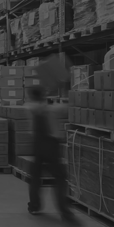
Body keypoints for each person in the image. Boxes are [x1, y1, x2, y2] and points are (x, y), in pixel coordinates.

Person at [25, 86, 72, 218]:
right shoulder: (50, 109)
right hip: (50, 145)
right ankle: (64, 211)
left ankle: (34, 206)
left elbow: (37, 106)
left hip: (37, 145)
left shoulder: (30, 107)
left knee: (35, 177)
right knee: (60, 177)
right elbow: (65, 107)